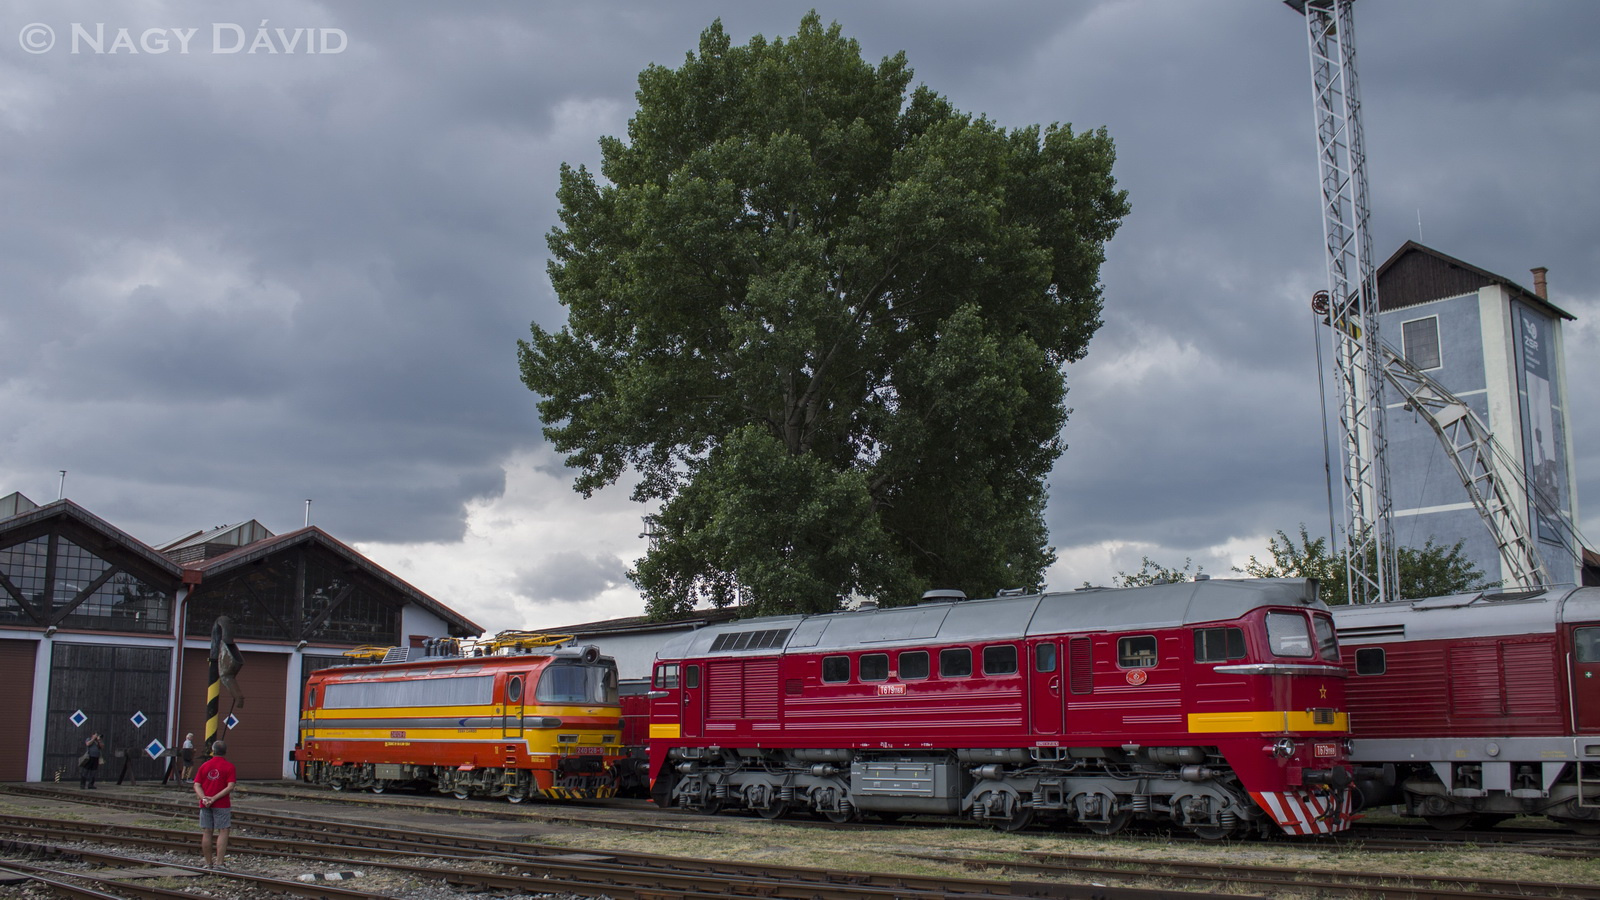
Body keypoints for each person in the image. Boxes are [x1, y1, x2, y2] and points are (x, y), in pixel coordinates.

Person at [192, 740, 237, 869]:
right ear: (225, 751)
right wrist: (214, 798)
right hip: (222, 804)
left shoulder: (204, 766)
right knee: (223, 830)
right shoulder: (229, 767)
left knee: (207, 831)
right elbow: (230, 786)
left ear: (213, 750)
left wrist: (204, 798)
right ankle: (219, 863)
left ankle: (208, 862)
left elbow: (197, 784)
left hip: (205, 804)